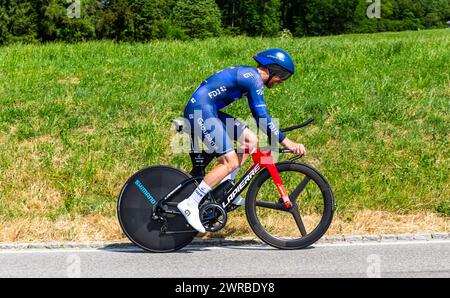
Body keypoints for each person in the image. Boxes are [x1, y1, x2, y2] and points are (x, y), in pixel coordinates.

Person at [177, 48, 307, 233]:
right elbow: (260, 115)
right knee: (230, 161)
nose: (281, 82)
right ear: (274, 70)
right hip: (200, 110)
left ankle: (225, 189)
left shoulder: (250, 76)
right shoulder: (253, 79)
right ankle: (191, 202)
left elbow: (260, 117)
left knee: (250, 140)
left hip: (208, 109)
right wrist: (287, 142)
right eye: (282, 76)